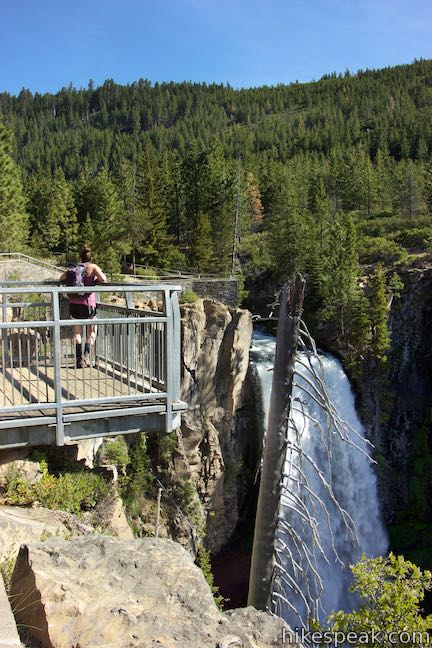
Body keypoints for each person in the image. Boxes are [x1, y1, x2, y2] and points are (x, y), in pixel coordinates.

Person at [60, 246, 107, 368]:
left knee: (77, 332)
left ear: (80, 257)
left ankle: (78, 359)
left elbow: (61, 279)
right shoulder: (92, 267)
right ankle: (85, 357)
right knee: (92, 330)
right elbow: (104, 279)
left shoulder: (73, 268)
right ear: (91, 257)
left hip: (74, 304)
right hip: (88, 305)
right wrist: (94, 281)